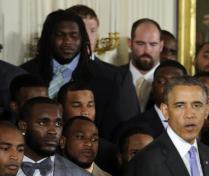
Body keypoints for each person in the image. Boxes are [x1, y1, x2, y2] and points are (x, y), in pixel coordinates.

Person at [20, 9, 139, 140]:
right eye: (60, 35)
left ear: (82, 38)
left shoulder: (115, 78)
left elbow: (126, 132)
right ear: (49, 37)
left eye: (74, 35)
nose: (68, 41)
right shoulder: (24, 74)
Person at [57, 81, 120, 176]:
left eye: (90, 105)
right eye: (77, 105)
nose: (85, 112)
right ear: (61, 109)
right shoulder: (50, 147)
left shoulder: (109, 153)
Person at [118, 60, 188, 141]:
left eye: (175, 82)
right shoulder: (132, 127)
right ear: (153, 86)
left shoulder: (195, 123)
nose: (167, 87)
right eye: (161, 81)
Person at [124, 18, 163, 111]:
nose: (147, 50)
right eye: (140, 43)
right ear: (130, 43)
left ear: (161, 46)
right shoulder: (113, 77)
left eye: (153, 44)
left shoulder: (174, 81)